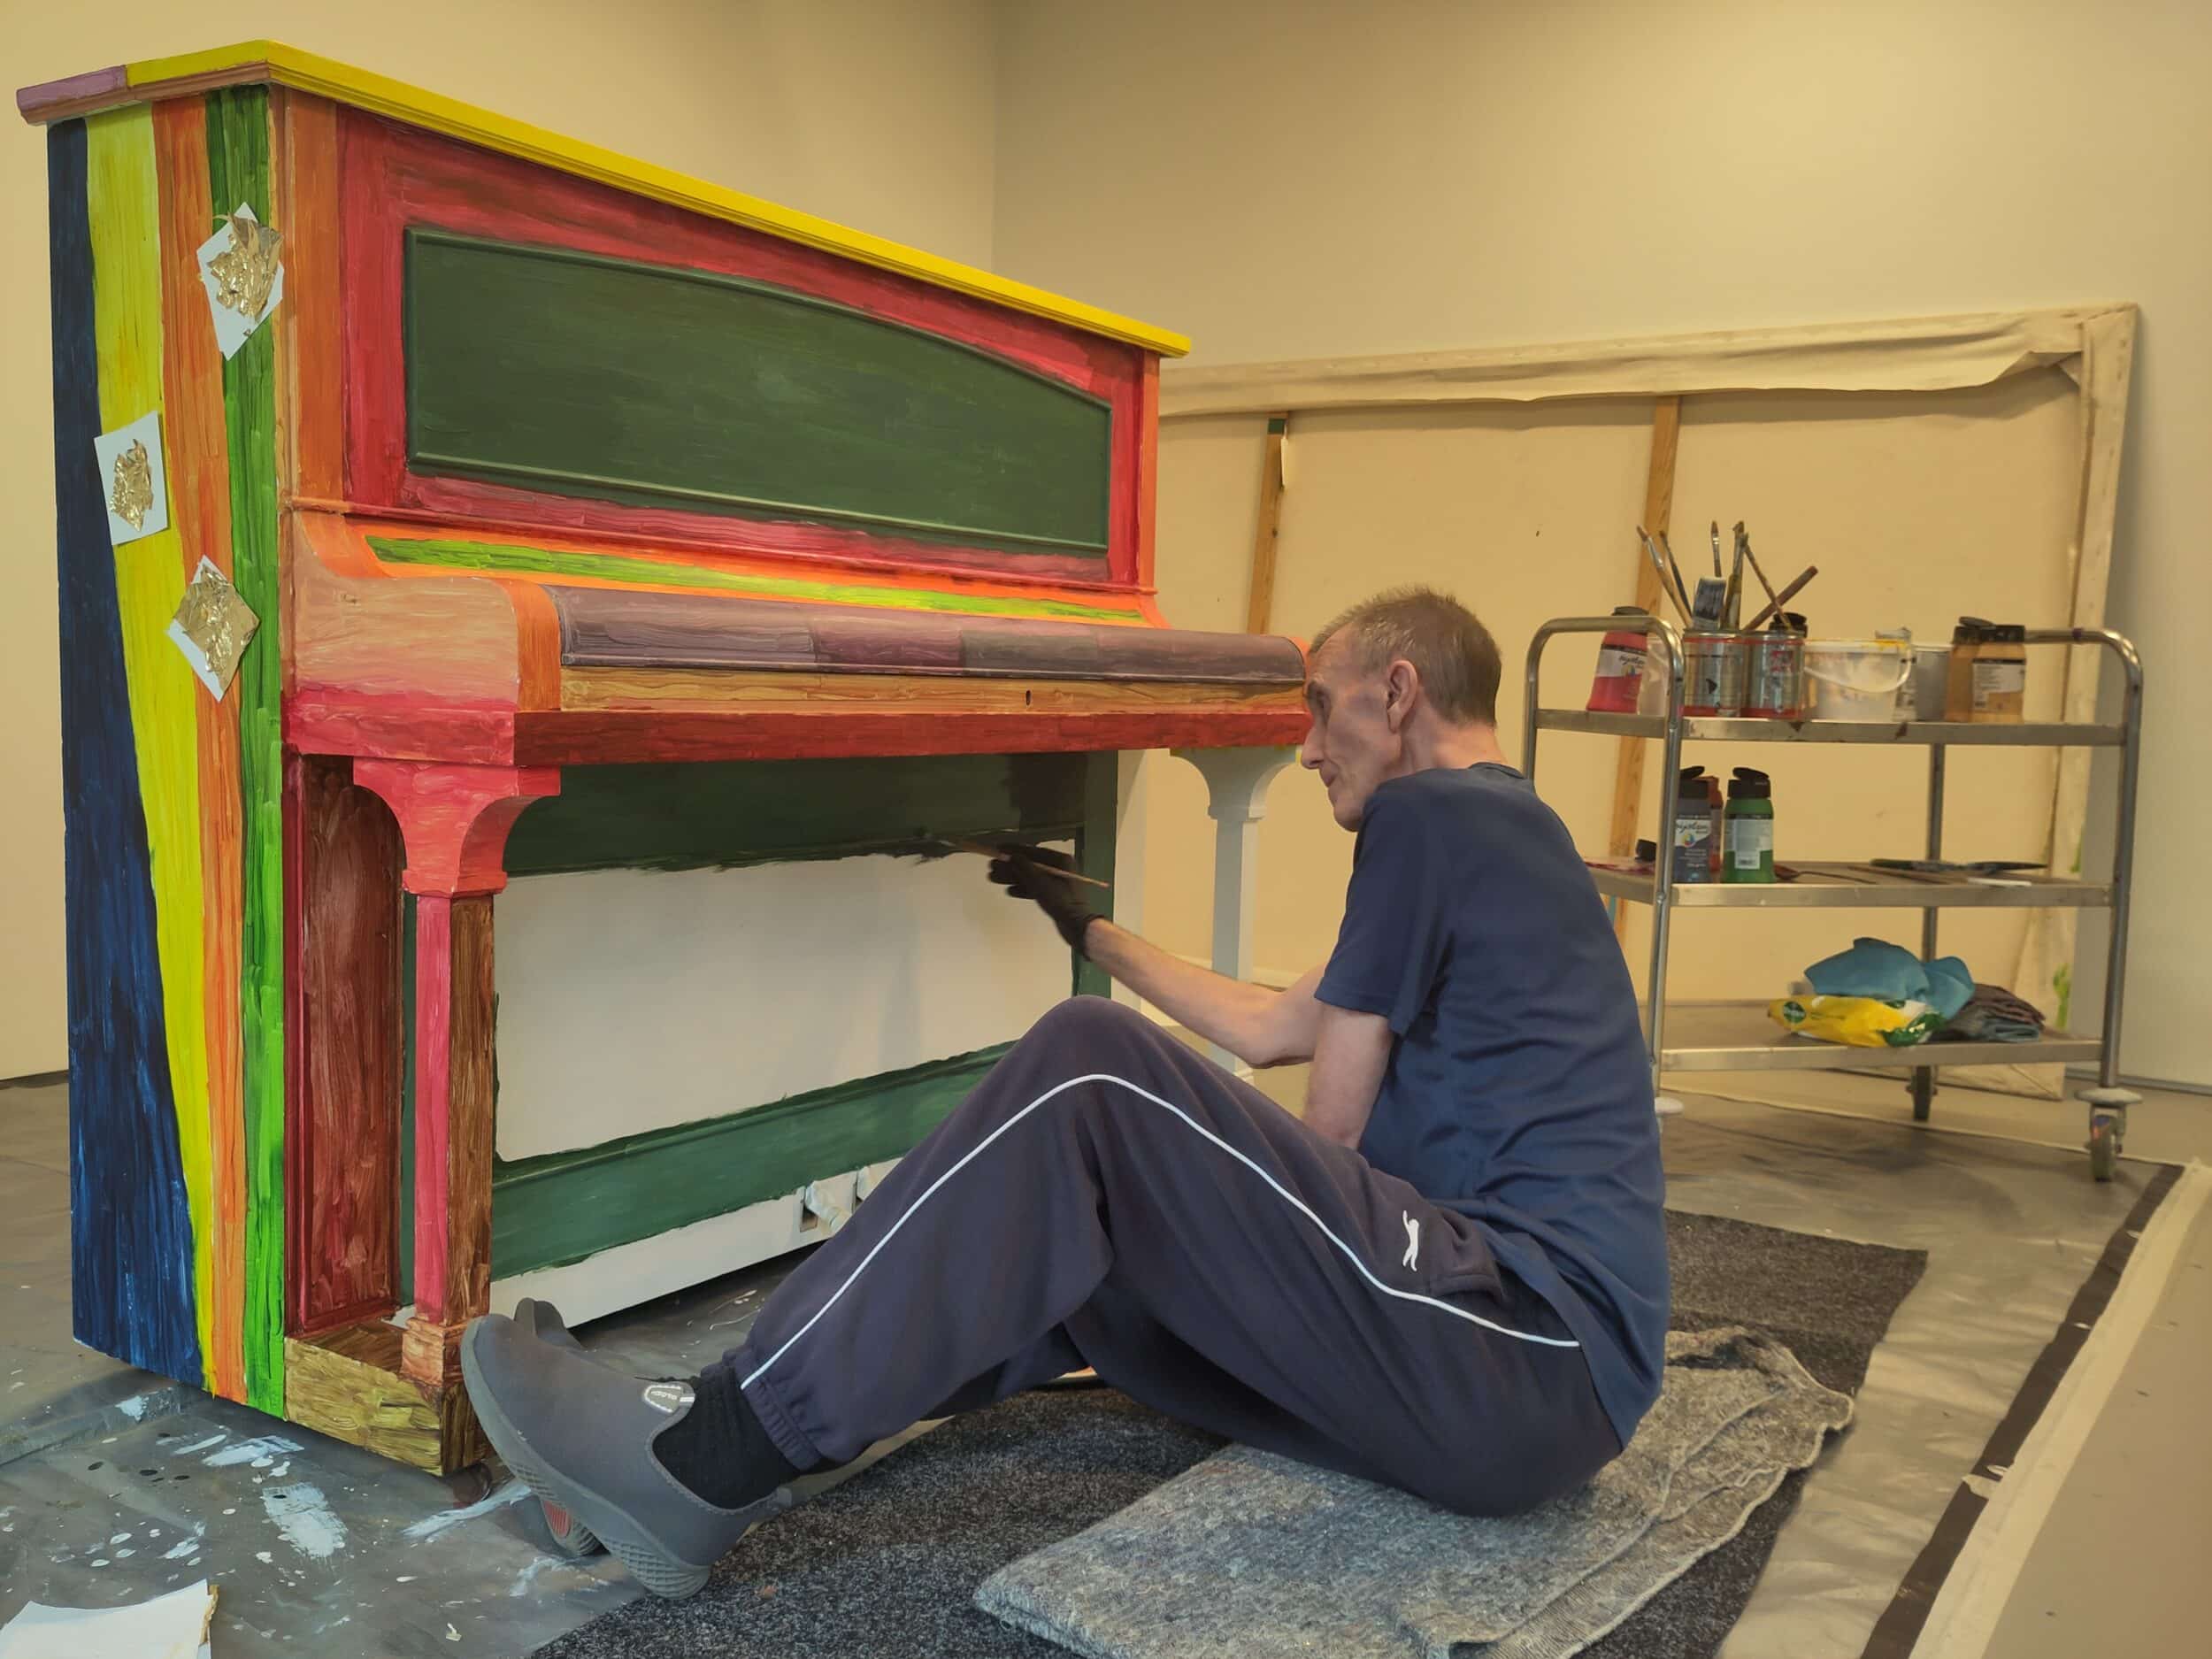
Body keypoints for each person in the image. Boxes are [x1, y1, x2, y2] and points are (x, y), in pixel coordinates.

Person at [461, 586, 1669, 1599]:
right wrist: (1092, 925)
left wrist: (1191, 1169)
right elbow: (1272, 1025)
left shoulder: (1432, 816)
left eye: (1319, 707)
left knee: (1094, 1069)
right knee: (1088, 1222)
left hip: (1523, 1344)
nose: (1306, 747)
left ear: (1397, 694)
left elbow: (1331, 1129)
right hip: (1518, 1391)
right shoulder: (1508, 839)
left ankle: (703, 1453)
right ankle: (741, 1433)